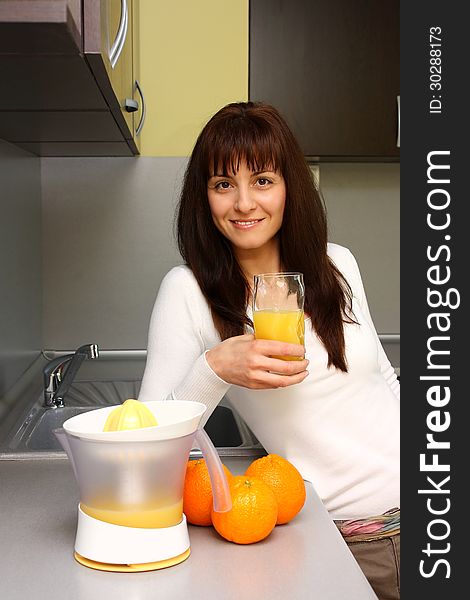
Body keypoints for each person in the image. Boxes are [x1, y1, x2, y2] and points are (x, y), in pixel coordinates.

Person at [138, 101, 400, 600]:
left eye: (262, 180)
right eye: (222, 185)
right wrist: (215, 369)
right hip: (349, 544)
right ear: (204, 197)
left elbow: (383, 380)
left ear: (289, 187)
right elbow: (148, 457)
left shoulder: (337, 263)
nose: (243, 203)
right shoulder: (187, 292)